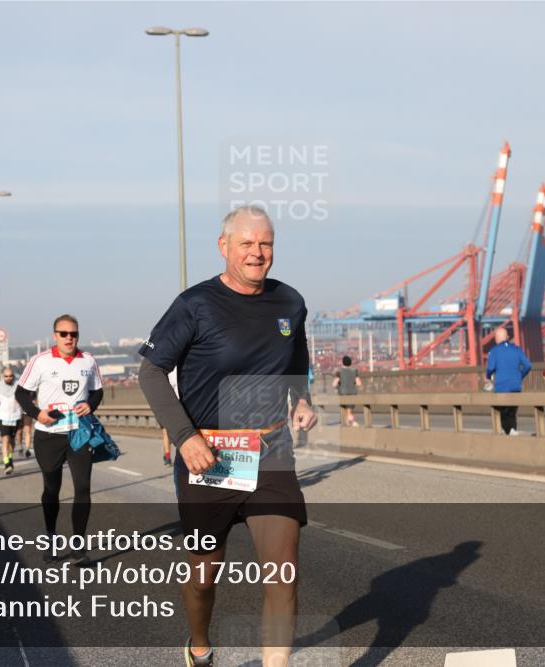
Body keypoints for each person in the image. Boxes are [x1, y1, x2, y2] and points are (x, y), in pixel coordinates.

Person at [138, 205, 317, 667]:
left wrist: (301, 399)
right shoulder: (194, 305)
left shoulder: (290, 303)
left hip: (270, 450)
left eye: (266, 244)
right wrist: (186, 438)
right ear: (224, 247)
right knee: (204, 577)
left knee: (283, 575)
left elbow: (296, 361)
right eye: (247, 244)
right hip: (210, 455)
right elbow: (152, 372)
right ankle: (199, 643)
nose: (258, 253)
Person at [15, 314, 104, 566]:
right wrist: (37, 414)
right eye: (64, 334)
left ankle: (78, 546)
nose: (69, 338)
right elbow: (21, 394)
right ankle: (51, 536)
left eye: (73, 334)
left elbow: (97, 391)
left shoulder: (88, 361)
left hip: (79, 433)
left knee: (83, 488)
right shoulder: (40, 361)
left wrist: (90, 404)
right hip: (49, 436)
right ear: (55, 335)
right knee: (51, 489)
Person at [485, 327, 531, 436]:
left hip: (501, 387)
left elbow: (491, 368)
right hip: (516, 386)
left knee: (503, 411)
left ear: (496, 339)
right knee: (512, 411)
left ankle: (509, 431)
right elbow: (528, 365)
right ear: (507, 337)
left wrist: (488, 376)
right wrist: (520, 375)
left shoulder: (494, 351)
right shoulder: (517, 349)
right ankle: (513, 430)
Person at [0, 368, 23, 475]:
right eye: (6, 376)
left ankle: (10, 458)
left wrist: (22, 401)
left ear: (14, 376)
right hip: (2, 416)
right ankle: (6, 464)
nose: (8, 378)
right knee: (5, 439)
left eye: (10, 376)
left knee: (12, 442)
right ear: (3, 376)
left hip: (16, 415)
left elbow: (28, 395)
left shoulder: (19, 385)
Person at [332, 355, 362, 426]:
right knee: (349, 410)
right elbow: (359, 383)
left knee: (346, 410)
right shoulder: (354, 371)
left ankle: (350, 423)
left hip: (342, 394)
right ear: (350, 363)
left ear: (343, 363)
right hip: (352, 393)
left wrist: (338, 386)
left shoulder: (339, 372)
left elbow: (334, 384)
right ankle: (350, 423)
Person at [161, 369, 178, 467]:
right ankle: (167, 456)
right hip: (168, 404)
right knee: (166, 430)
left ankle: (169, 456)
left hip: (180, 404)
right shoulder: (167, 367)